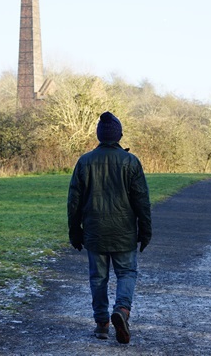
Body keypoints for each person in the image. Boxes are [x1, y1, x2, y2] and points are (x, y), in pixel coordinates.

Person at [67, 112, 152, 345]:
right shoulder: (131, 162)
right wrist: (145, 231)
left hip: (95, 231)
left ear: (99, 135)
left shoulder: (84, 162)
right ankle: (122, 311)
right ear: (119, 135)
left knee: (98, 278)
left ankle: (102, 324)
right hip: (124, 232)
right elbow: (141, 200)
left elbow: (73, 201)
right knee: (126, 273)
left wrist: (75, 231)